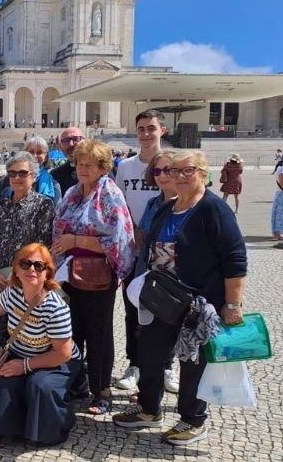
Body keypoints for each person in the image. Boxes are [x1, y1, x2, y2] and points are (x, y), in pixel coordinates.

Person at [113, 150, 247, 446]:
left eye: (188, 171)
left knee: (192, 361)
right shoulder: (166, 207)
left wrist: (233, 304)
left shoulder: (213, 209)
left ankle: (193, 420)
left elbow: (235, 258)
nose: (180, 177)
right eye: (175, 171)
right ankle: (149, 410)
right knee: (150, 353)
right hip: (161, 299)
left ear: (203, 173)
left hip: (198, 302)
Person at [0, 243, 81, 446]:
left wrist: (25, 365)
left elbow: (62, 354)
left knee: (40, 384)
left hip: (56, 361)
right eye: (25, 264)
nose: (31, 270)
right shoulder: (13, 293)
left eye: (39, 266)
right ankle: (19, 429)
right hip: (21, 354)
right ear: (16, 270)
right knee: (8, 378)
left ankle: (60, 424)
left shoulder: (55, 307)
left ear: (48, 273)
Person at [52, 140, 135, 415]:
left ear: (102, 167)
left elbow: (119, 240)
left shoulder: (110, 194)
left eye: (89, 164)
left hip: (98, 274)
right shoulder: (73, 193)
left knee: (99, 334)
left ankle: (102, 390)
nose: (82, 169)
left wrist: (76, 240)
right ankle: (77, 384)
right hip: (69, 272)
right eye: (79, 163)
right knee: (72, 331)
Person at [114, 110, 174, 394]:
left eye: (151, 128)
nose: (146, 134)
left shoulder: (173, 164)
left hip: (168, 251)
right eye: (141, 129)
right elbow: (118, 205)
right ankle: (135, 364)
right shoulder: (125, 167)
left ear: (162, 130)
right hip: (134, 249)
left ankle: (167, 366)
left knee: (170, 308)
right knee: (133, 308)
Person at [0, 152, 55, 294]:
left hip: (27, 279)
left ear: (33, 176)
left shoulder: (43, 205)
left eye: (22, 173)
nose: (16, 178)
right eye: (12, 173)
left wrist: (18, 275)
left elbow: (42, 246)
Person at [25, 135, 62, 203]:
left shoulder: (53, 185)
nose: (34, 155)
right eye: (31, 152)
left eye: (39, 152)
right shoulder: (12, 178)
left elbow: (58, 211)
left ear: (46, 157)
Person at [51, 127, 85, 195]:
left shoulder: (98, 170)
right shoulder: (55, 175)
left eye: (75, 139)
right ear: (60, 147)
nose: (71, 144)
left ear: (85, 141)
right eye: (65, 141)